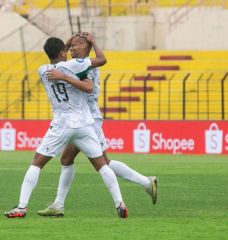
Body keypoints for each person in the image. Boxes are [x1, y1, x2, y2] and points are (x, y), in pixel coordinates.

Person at [4, 37, 128, 218]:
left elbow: (60, 59)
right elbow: (101, 60)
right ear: (63, 52)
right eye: (67, 48)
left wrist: (64, 48)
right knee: (102, 164)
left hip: (61, 124)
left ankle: (22, 207)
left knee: (37, 162)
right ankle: (120, 203)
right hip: (84, 123)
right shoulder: (75, 66)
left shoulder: (42, 70)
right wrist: (91, 41)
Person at [36, 33, 157, 217]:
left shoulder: (87, 66)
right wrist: (66, 44)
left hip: (88, 119)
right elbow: (64, 58)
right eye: (69, 47)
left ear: (85, 46)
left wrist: (93, 42)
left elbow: (89, 86)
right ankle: (58, 205)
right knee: (72, 160)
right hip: (82, 119)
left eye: (75, 46)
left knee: (99, 163)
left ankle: (141, 187)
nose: (71, 49)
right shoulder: (76, 64)